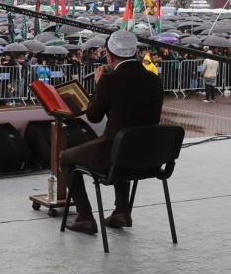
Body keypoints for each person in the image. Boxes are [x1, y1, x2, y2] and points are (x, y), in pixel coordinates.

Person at [59, 29, 163, 235]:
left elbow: (93, 116)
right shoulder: (154, 79)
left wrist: (99, 84)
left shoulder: (109, 80)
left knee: (65, 158)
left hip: (116, 155)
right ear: (135, 53)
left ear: (109, 56)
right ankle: (121, 211)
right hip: (148, 156)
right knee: (124, 146)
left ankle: (85, 217)